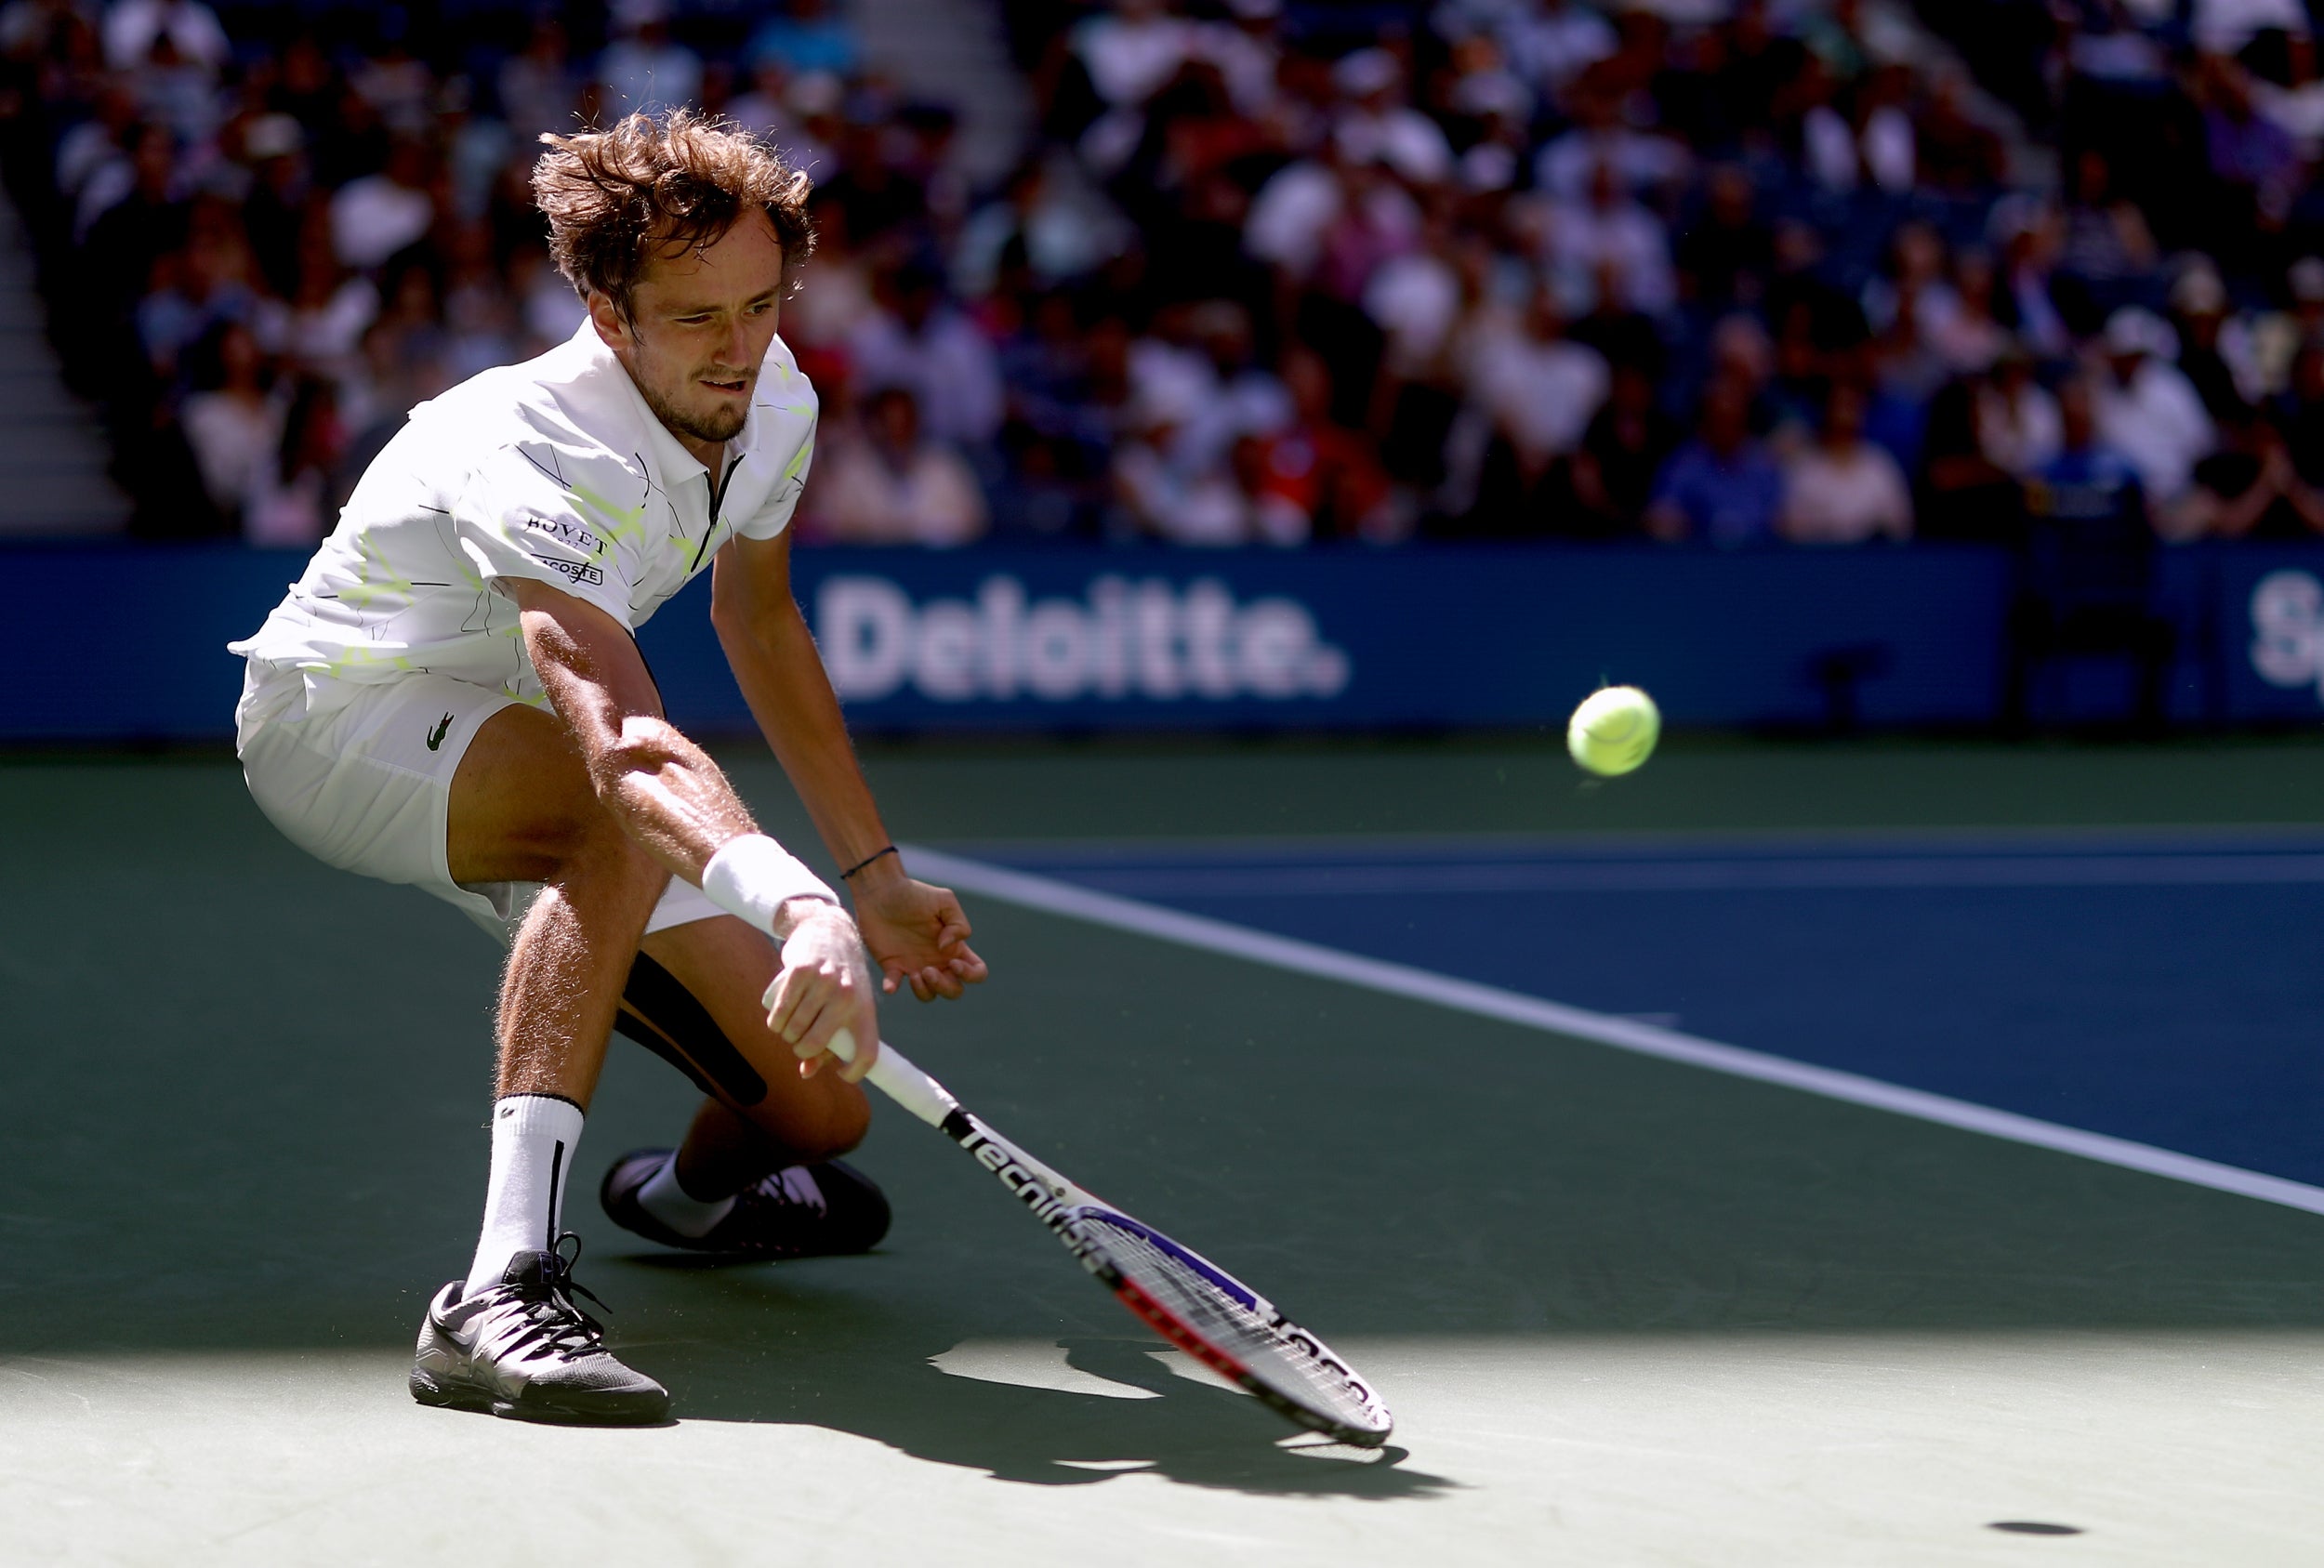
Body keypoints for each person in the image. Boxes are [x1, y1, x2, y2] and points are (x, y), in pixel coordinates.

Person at [226, 112, 987, 1426]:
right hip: (342, 714)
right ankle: (494, 1293)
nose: (739, 348)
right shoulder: (533, 440)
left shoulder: (773, 394)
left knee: (821, 1112)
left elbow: (759, 623)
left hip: (533, 736)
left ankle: (685, 1204)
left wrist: (871, 879)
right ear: (607, 308)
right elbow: (626, 747)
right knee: (618, 813)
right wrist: (794, 900)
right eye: (696, 318)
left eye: (761, 305)